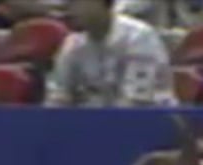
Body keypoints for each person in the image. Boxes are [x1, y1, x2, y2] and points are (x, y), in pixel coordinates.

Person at [45, 0, 178, 107]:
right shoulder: (72, 44)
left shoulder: (138, 37)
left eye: (76, 2)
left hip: (151, 126)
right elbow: (57, 98)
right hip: (95, 128)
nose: (68, 10)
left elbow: (136, 102)